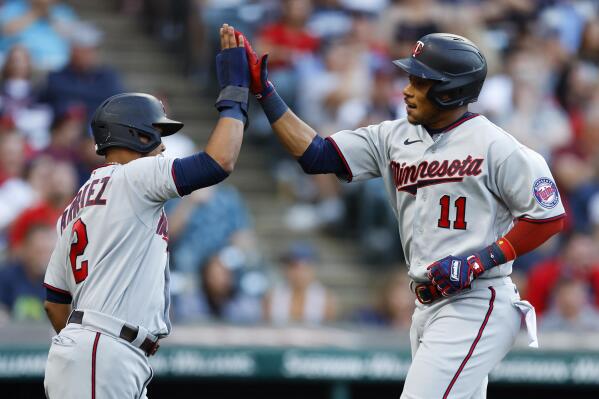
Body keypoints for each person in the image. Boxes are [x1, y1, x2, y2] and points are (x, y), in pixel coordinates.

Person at [239, 31, 566, 398]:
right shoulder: (393, 137)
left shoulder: (497, 146)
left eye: (420, 82)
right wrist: (265, 93)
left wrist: (481, 259)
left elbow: (549, 216)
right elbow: (317, 155)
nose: (407, 90)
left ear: (450, 90)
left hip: (477, 301)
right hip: (426, 305)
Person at [42, 24, 250, 399]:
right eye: (157, 135)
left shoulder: (76, 204)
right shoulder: (134, 176)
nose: (161, 146)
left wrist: (80, 343)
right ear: (137, 136)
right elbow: (220, 161)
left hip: (100, 350)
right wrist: (234, 96)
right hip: (103, 349)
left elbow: (55, 302)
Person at [263, 242, 336, 324]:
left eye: (305, 268)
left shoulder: (326, 299)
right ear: (285, 269)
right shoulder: (271, 296)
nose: (299, 273)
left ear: (313, 269)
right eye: (294, 267)